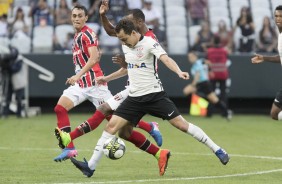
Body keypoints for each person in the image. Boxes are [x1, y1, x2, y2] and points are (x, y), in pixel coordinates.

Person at [56, 18, 230, 177]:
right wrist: (103, 15)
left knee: (182, 125)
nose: (123, 42)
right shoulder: (127, 45)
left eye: (124, 39)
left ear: (133, 33)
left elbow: (166, 59)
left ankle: (217, 149)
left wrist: (179, 71)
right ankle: (90, 167)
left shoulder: (149, 43)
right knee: (112, 127)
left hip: (154, 95)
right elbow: (126, 63)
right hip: (134, 97)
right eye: (121, 39)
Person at [53, 4, 161, 162]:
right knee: (60, 108)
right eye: (74, 16)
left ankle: (150, 128)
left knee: (120, 124)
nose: (76, 18)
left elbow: (94, 58)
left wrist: (78, 75)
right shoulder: (77, 35)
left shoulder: (88, 34)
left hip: (95, 84)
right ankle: (69, 148)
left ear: (86, 18)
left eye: (79, 16)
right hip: (82, 83)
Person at [251, 5, 282, 120]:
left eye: (281, 16)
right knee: (274, 114)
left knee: (274, 113)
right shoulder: (280, 36)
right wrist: (264, 58)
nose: (278, 18)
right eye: (276, 16)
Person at [183, 51, 232, 120]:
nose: (189, 59)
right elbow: (209, 63)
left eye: (191, 57)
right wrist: (210, 71)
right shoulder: (201, 61)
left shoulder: (197, 63)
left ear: (195, 57)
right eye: (189, 57)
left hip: (203, 83)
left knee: (214, 100)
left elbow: (198, 75)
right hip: (202, 84)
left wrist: (193, 85)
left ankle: (226, 112)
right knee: (214, 99)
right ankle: (226, 112)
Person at [206, 36, 231, 117]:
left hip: (213, 74)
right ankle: (224, 113)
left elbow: (207, 61)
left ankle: (209, 113)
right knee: (223, 94)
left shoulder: (209, 51)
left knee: (211, 93)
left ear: (213, 41)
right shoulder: (224, 51)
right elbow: (227, 59)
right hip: (223, 73)